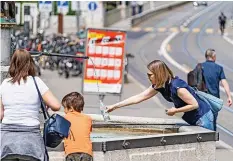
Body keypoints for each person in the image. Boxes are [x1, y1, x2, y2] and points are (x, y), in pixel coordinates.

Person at [107, 60, 215, 131]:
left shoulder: (177, 86)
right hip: (193, 118)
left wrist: (175, 111)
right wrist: (115, 106)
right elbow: (139, 97)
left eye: (150, 75)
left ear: (159, 74)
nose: (148, 77)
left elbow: (194, 104)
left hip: (203, 117)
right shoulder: (159, 86)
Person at [0, 49, 61, 161]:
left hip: (6, 141)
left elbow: (1, 114)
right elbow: (56, 106)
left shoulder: (4, 84)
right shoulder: (36, 82)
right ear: (30, 63)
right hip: (31, 140)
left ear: (13, 63)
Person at [201, 49, 232, 130]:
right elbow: (224, 83)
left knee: (203, 119)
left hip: (202, 98)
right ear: (214, 57)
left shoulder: (200, 66)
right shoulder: (219, 68)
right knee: (213, 120)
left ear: (206, 57)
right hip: (214, 99)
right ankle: (212, 138)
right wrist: (229, 97)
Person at [62, 92, 93, 161]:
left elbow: (61, 133)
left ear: (71, 108)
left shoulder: (65, 118)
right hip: (87, 152)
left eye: (64, 108)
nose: (64, 111)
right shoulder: (88, 118)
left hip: (71, 152)